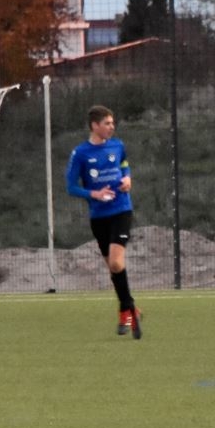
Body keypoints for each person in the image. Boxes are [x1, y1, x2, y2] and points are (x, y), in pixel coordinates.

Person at [65, 105, 141, 339]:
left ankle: (127, 310)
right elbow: (71, 187)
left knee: (117, 264)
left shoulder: (117, 145)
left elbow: (124, 164)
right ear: (94, 125)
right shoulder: (80, 153)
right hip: (99, 217)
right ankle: (129, 309)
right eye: (107, 123)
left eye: (112, 123)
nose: (111, 127)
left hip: (121, 210)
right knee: (114, 269)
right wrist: (94, 194)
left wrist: (127, 179)